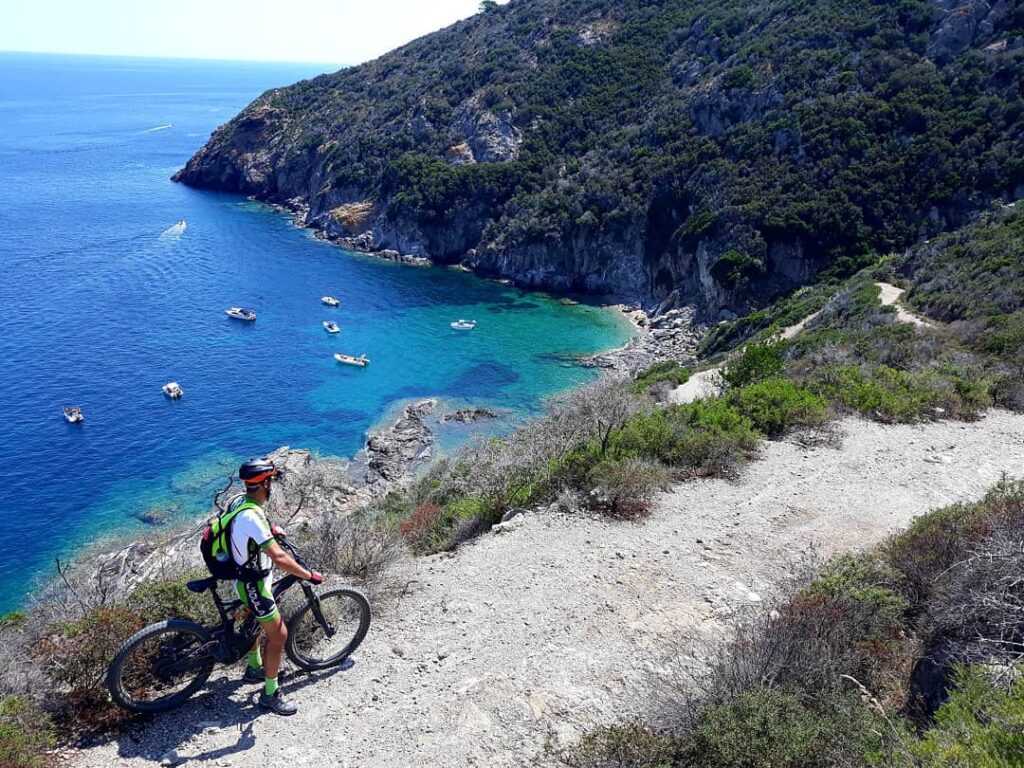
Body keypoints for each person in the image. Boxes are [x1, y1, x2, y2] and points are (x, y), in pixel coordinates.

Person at [232, 457, 323, 715]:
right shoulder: (252, 516)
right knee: (279, 635)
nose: (272, 485)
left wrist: (270, 528)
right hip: (253, 583)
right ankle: (270, 694)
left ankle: (254, 668)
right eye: (270, 481)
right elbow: (280, 558)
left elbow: (250, 528)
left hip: (243, 576)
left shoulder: (241, 502)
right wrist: (307, 575)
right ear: (264, 483)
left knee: (255, 623)